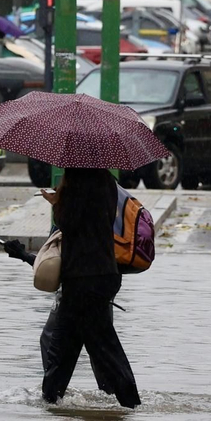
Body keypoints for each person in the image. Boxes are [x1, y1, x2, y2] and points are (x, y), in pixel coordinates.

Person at [38, 168, 140, 408]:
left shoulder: (77, 183)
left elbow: (69, 224)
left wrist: (57, 202)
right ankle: (52, 402)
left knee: (97, 349)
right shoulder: (107, 182)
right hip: (104, 274)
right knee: (68, 347)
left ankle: (132, 405)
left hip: (83, 279)